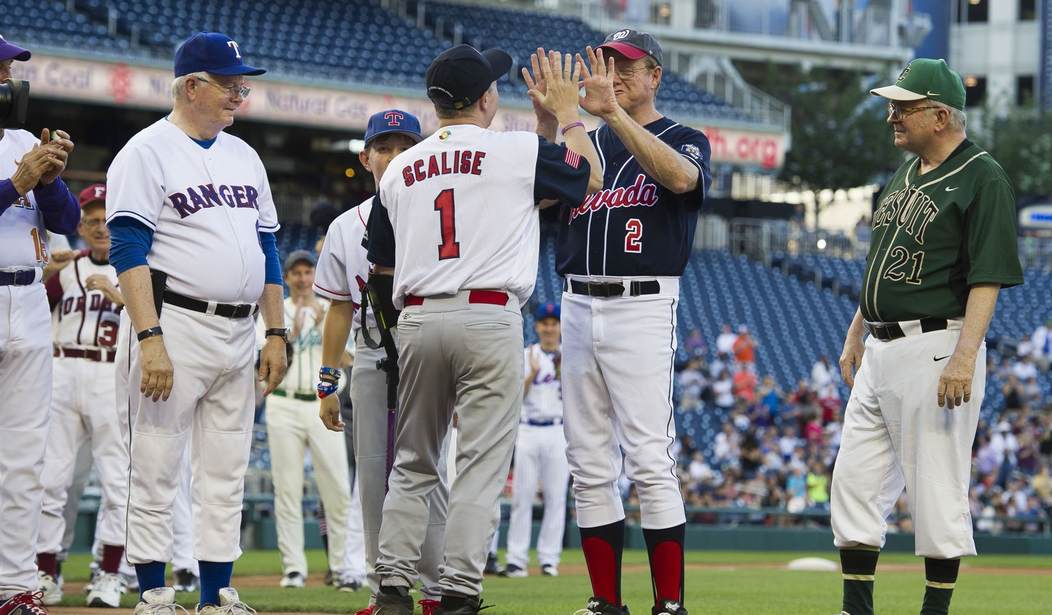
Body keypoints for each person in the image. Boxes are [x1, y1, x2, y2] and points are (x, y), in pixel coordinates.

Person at [345, 43, 600, 615]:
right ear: (487, 98)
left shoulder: (400, 167)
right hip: (488, 315)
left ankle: (391, 588)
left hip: (416, 316)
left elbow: (381, 266)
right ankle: (459, 590)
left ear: (436, 104)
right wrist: (567, 115)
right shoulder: (514, 150)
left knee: (413, 461)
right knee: (480, 463)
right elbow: (589, 179)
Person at [832, 58, 1024, 615]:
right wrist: (857, 331)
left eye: (904, 107)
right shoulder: (906, 170)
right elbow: (882, 263)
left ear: (940, 115)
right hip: (881, 347)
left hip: (938, 344)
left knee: (936, 487)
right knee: (855, 480)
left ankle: (935, 610)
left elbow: (987, 277)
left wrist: (964, 359)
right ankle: (856, 608)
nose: (892, 115)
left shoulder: (983, 175)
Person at [105, 32, 287, 615]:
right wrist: (149, 336)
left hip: (239, 332)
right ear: (192, 85)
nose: (240, 92)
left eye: (242, 83)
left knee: (226, 469)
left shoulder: (244, 155)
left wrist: (277, 332)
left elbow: (270, 251)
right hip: (175, 324)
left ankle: (215, 595)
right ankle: (155, 593)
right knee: (155, 463)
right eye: (230, 83)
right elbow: (128, 247)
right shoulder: (145, 151)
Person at [550, 29, 711, 615]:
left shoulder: (685, 138)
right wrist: (558, 118)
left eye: (628, 65)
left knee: (648, 456)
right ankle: (605, 602)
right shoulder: (581, 143)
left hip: (642, 303)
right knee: (589, 461)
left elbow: (680, 179)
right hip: (575, 302)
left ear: (654, 77)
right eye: (607, 63)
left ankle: (669, 603)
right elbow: (540, 192)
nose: (614, 72)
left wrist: (612, 114)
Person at [314, 109, 448, 615]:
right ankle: (383, 589)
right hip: (370, 354)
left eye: (403, 145)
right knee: (373, 477)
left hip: (425, 349)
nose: (393, 156)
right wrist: (327, 382)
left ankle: (436, 591)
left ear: (420, 151)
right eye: (383, 147)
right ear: (366, 156)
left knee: (430, 474)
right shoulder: (346, 227)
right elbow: (339, 308)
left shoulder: (437, 210)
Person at [0, 35, 80, 615]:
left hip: (28, 301)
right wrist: (16, 184)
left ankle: (14, 583)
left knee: (26, 455)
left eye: (9, 66)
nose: (9, 74)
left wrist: (49, 178)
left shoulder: (24, 140)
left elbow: (68, 220)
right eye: (2, 65)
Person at [35, 185, 127, 608]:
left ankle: (109, 574)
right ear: (81, 226)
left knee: (117, 481)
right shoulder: (66, 268)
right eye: (92, 220)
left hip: (111, 373)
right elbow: (36, 308)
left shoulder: (133, 269)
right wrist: (47, 273)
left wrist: (120, 298)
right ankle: (45, 570)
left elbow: (155, 320)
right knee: (51, 480)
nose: (101, 227)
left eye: (106, 219)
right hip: (64, 371)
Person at [262, 250, 355, 590]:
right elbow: (265, 359)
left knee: (337, 489)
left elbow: (347, 359)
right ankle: (294, 569)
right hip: (283, 403)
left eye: (307, 272)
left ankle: (343, 567)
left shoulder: (331, 310)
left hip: (322, 405)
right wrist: (292, 333)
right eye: (296, 273)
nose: (302, 278)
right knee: (286, 490)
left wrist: (321, 326)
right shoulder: (275, 311)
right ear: (286, 278)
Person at [502, 303, 570, 578]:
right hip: (527, 429)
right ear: (537, 326)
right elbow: (513, 395)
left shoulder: (569, 356)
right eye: (546, 323)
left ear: (560, 327)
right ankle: (517, 559)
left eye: (554, 323)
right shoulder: (526, 354)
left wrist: (565, 373)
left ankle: (549, 559)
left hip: (558, 430)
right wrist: (529, 374)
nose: (550, 328)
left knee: (556, 498)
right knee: (522, 496)